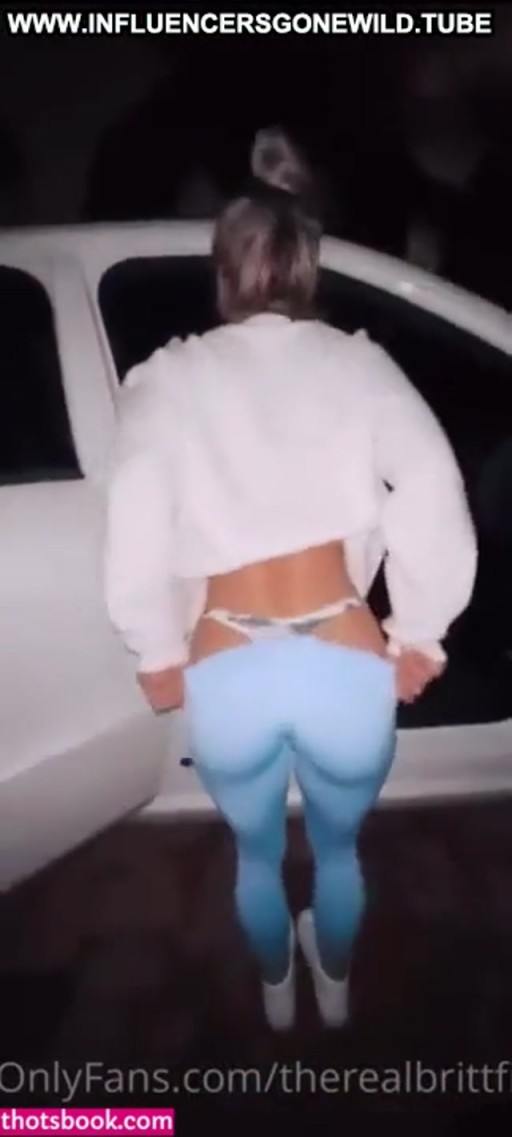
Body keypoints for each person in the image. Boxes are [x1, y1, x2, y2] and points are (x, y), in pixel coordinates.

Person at [103, 128, 477, 1032]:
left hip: (228, 660)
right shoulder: (359, 362)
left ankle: (277, 989)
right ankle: (334, 986)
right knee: (340, 853)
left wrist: (155, 650)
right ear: (309, 266)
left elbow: (134, 520)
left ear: (222, 273)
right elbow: (435, 484)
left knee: (256, 856)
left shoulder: (167, 379)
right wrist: (422, 632)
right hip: (343, 653)